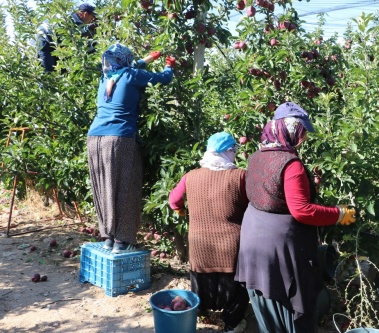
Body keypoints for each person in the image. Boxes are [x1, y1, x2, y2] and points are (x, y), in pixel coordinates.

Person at [235, 102, 357, 333]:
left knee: (267, 303)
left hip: (253, 238)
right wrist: (339, 214)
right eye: (302, 133)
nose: (304, 139)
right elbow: (302, 210)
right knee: (292, 307)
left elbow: (253, 193)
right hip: (279, 247)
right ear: (291, 131)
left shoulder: (256, 156)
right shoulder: (291, 164)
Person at [87, 43, 175, 253]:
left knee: (104, 188)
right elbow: (164, 79)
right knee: (126, 186)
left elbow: (126, 70)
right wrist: (169, 65)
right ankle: (122, 241)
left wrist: (146, 59)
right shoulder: (132, 75)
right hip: (119, 138)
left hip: (95, 138)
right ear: (125, 60)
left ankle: (108, 237)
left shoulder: (105, 78)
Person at [168, 132, 250, 333]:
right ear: (228, 152)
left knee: (202, 281)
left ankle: (202, 312)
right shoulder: (240, 176)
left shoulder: (191, 176)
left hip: (199, 244)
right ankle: (232, 324)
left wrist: (183, 211)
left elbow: (173, 201)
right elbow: (252, 205)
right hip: (231, 245)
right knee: (235, 288)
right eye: (234, 151)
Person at [36, 3, 98, 72]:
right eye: (92, 17)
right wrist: (95, 51)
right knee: (48, 69)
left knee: (62, 69)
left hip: (54, 42)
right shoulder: (72, 20)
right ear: (85, 14)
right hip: (45, 38)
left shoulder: (78, 21)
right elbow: (79, 42)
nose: (93, 20)